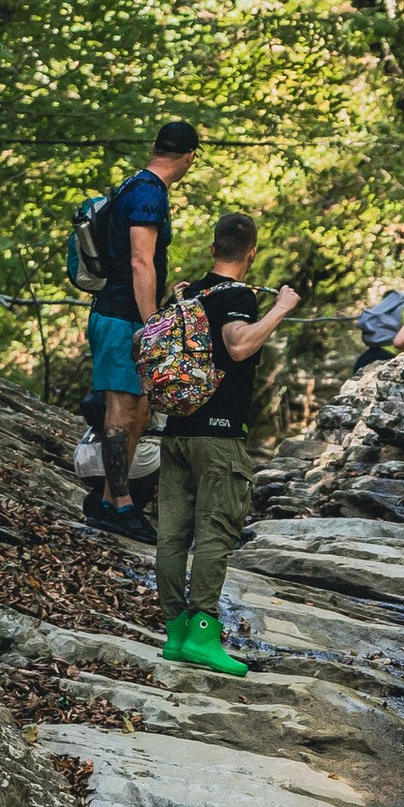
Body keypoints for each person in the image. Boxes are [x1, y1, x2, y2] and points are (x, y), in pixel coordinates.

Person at [157, 211, 302, 678]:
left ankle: (175, 633)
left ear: (213, 248)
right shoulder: (237, 296)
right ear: (252, 253)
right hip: (218, 436)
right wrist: (280, 308)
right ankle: (203, 633)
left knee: (172, 535)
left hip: (176, 429)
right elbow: (239, 346)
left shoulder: (189, 292)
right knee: (215, 534)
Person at [85, 117, 201, 544]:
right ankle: (120, 506)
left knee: (136, 410)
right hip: (122, 318)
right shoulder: (149, 194)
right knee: (120, 412)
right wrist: (154, 325)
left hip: (120, 314)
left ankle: (109, 500)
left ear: (156, 145)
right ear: (189, 157)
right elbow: (139, 261)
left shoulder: (133, 185)